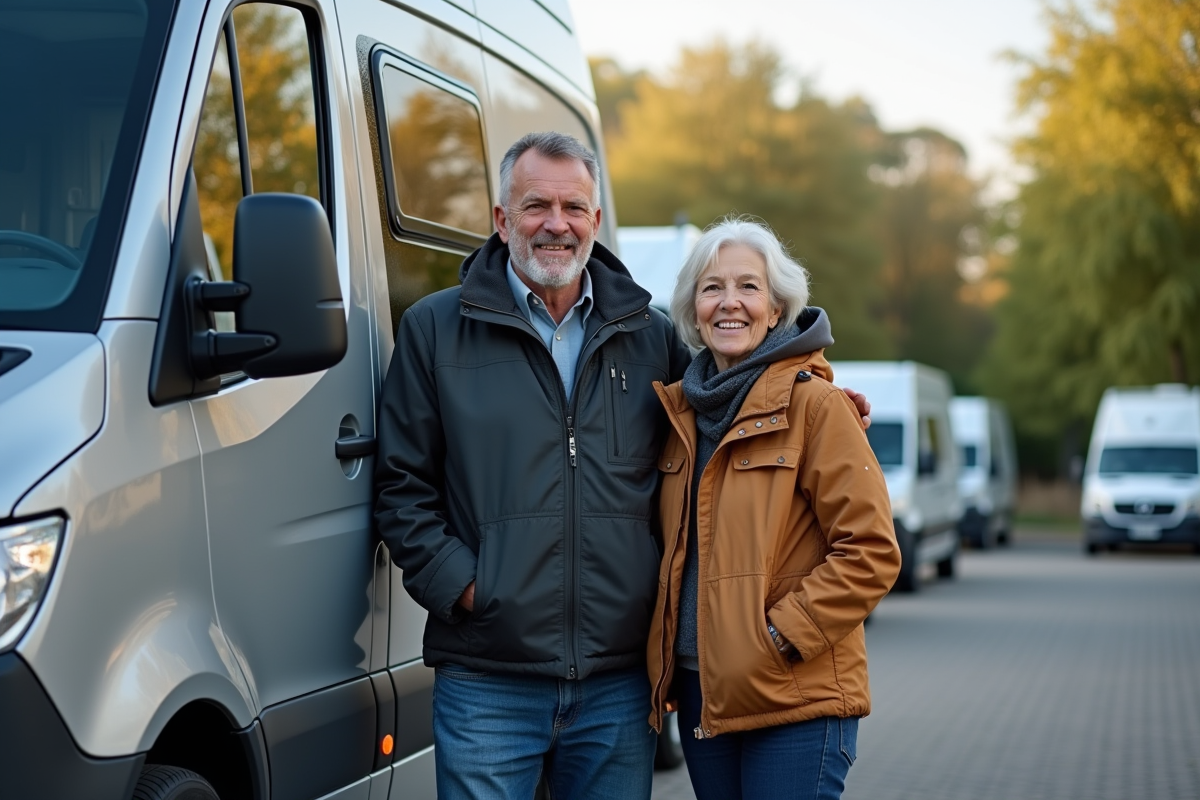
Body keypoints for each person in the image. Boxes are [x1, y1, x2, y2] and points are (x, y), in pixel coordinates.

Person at [375, 132, 873, 799]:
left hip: (618, 686)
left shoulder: (650, 337)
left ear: (596, 220)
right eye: (536, 207)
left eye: (574, 207)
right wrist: (470, 588)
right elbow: (401, 486)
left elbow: (731, 398)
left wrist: (817, 395)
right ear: (500, 220)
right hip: (487, 676)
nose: (557, 224)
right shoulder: (435, 330)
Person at [645, 217, 901, 800]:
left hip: (795, 697)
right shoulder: (678, 415)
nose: (729, 303)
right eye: (712, 288)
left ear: (777, 307)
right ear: (692, 308)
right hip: (704, 694)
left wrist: (778, 636)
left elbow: (871, 553)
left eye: (748, 287)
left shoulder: (816, 407)